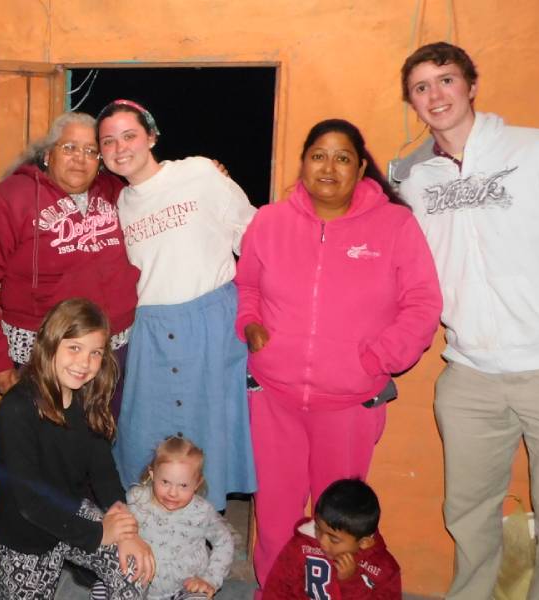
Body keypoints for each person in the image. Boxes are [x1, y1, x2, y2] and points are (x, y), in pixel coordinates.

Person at [393, 42, 539, 599]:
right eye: (421, 87)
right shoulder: (417, 182)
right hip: (469, 375)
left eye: (446, 80)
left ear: (471, 85)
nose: (436, 95)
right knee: (467, 517)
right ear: (411, 102)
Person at [235, 119, 441, 587]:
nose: (329, 167)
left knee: (339, 526)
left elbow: (423, 302)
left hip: (349, 406)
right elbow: (246, 285)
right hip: (274, 398)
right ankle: (276, 593)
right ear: (304, 162)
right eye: (318, 155)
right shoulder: (269, 221)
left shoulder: (395, 225)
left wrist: (377, 359)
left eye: (342, 157)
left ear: (361, 167)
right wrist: (250, 325)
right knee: (274, 520)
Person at [96, 99, 257, 510]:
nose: (121, 148)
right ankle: (149, 538)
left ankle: (201, 538)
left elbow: (251, 236)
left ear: (151, 137)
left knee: (209, 434)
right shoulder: (116, 204)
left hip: (212, 324)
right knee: (144, 435)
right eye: (109, 141)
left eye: (129, 135)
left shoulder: (198, 173)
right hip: (151, 331)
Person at [0, 298, 153, 599]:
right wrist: (98, 534)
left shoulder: (88, 399)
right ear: (50, 344)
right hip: (25, 531)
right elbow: (30, 501)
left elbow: (104, 472)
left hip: (71, 514)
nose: (84, 363)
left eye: (95, 352)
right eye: (74, 348)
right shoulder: (17, 407)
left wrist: (126, 529)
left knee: (135, 569)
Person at [0, 112, 140, 416]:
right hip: (43, 361)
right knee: (43, 455)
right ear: (47, 154)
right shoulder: (7, 201)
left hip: (111, 356)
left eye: (91, 151)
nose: (80, 159)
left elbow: (156, 189)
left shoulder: (114, 191)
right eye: (69, 148)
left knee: (102, 451)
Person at [93, 436, 234, 600]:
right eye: (165, 482)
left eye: (183, 485)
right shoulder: (136, 500)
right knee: (100, 590)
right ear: (152, 474)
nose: (173, 493)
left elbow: (224, 541)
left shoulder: (202, 511)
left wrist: (210, 579)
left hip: (184, 587)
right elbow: (114, 528)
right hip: (136, 583)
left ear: (197, 483)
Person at [262, 479, 401, 599]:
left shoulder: (383, 568)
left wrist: (350, 581)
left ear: (364, 542)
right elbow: (278, 585)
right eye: (318, 529)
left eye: (334, 540)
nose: (322, 542)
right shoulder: (302, 546)